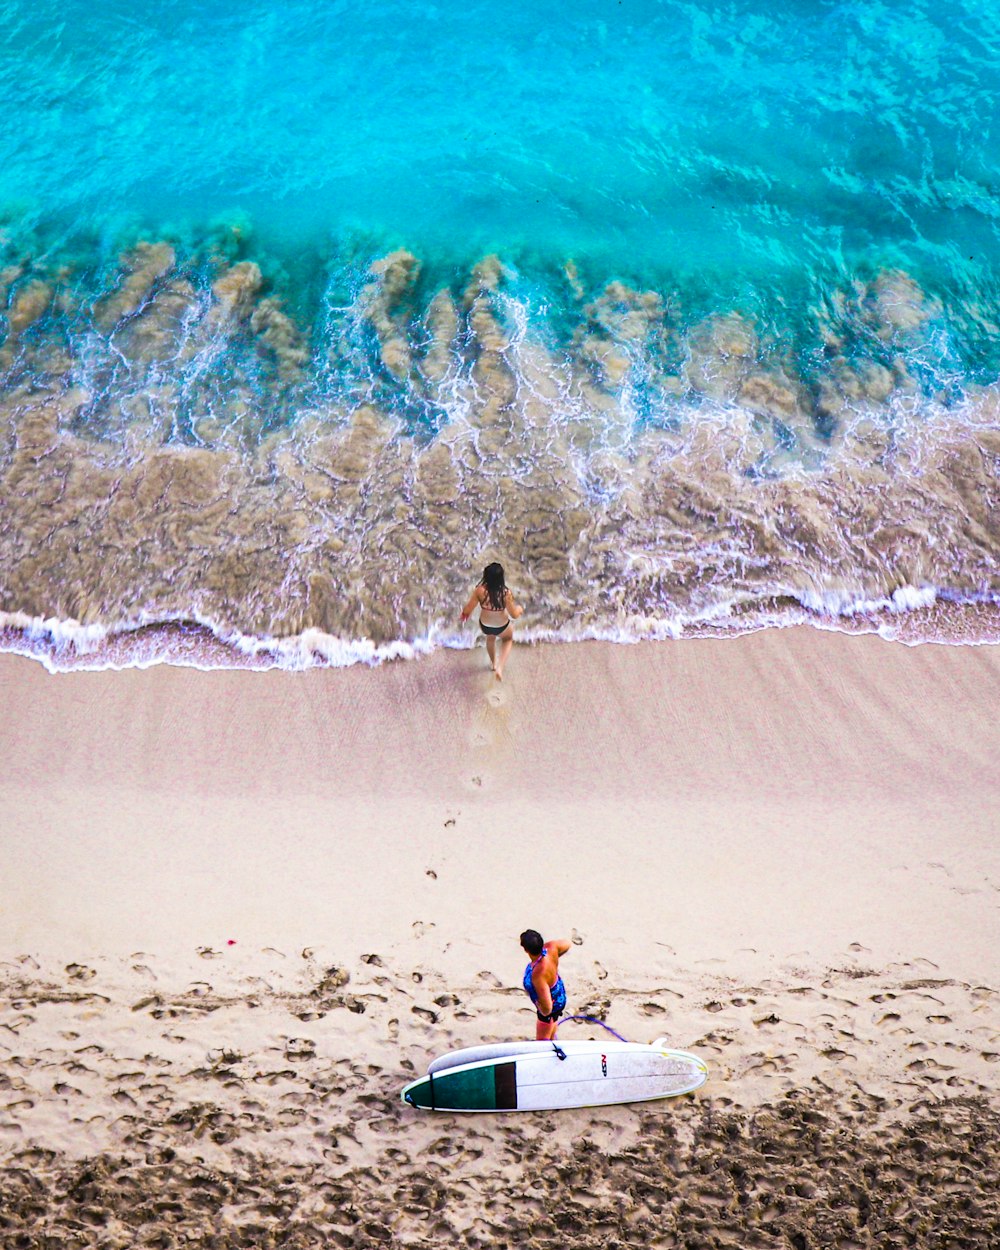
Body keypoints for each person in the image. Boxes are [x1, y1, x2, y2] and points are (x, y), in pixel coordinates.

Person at [458, 562, 524, 681]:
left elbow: (468, 609)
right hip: (502, 625)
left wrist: (463, 616)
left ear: (486, 576)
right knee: (508, 639)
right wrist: (519, 610)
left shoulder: (480, 591)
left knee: (490, 638)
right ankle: (500, 667)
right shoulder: (505, 593)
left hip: (485, 625)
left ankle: (493, 663)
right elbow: (513, 614)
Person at [520, 929, 570, 1040]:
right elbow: (567, 944)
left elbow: (547, 1009)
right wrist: (555, 957)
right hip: (558, 992)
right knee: (552, 1030)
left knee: (542, 1042)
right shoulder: (551, 948)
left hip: (551, 1006)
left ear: (526, 950)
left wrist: (539, 1005)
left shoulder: (538, 974)